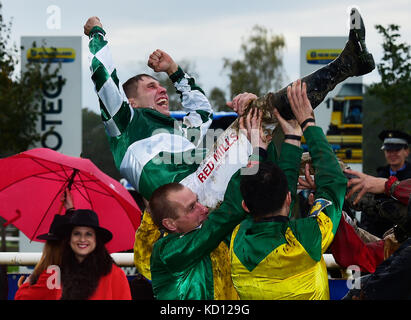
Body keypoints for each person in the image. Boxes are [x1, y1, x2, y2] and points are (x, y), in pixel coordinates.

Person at [83, 7, 374, 209]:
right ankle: (345, 65)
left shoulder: (179, 130)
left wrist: (173, 70)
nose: (161, 89)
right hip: (188, 195)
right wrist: (97, 33)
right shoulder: (125, 124)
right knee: (257, 115)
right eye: (150, 86)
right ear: (130, 102)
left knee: (325, 167)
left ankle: (386, 216)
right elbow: (103, 78)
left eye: (161, 86)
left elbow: (204, 113)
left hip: (215, 181)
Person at [148, 101, 304, 300]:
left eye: (196, 201)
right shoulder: (166, 253)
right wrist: (256, 153)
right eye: (191, 208)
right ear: (169, 224)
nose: (202, 208)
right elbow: (227, 213)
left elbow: (272, 199)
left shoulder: (222, 236)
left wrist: (271, 137)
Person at [229, 79, 347, 300]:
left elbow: (268, 192)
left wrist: (290, 138)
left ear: (245, 206)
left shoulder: (238, 239)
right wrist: (308, 124)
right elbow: (334, 183)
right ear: (288, 198)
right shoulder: (308, 237)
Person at [57, 209, 131, 300]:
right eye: (77, 234)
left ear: (96, 240)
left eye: (88, 234)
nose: (82, 239)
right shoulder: (56, 272)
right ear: (69, 239)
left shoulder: (115, 275)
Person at [14, 189, 75, 300]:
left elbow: (22, 298)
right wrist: (70, 210)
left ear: (49, 246)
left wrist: (24, 287)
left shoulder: (51, 275)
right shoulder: (83, 270)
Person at [359, 130, 411, 237]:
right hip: (379, 236)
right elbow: (367, 212)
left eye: (396, 150)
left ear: (407, 151)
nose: (392, 154)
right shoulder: (379, 175)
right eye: (388, 150)